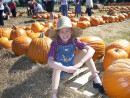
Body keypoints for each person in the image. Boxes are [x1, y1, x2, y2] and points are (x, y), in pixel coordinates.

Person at [47, 16, 105, 98]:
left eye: (67, 31)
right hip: (60, 68)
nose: (65, 34)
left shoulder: (74, 40)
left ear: (71, 31)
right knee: (57, 67)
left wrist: (80, 63)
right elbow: (50, 61)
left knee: (85, 52)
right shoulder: (55, 43)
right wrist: (65, 68)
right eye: (62, 32)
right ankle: (54, 94)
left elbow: (91, 50)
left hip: (71, 62)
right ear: (58, 33)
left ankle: (96, 79)